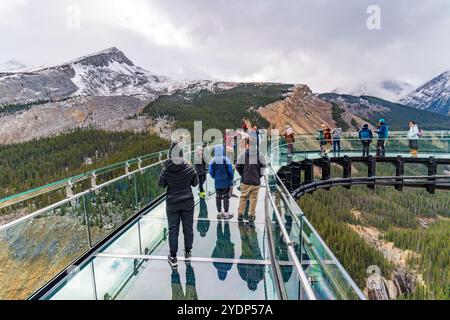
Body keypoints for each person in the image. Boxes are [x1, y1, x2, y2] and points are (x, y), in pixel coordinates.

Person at [159, 141, 199, 268]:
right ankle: (187, 254)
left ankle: (173, 257)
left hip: (172, 204)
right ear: (182, 155)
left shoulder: (166, 170)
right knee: (188, 229)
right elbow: (195, 183)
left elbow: (161, 185)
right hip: (187, 202)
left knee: (173, 230)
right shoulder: (189, 167)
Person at [236, 138, 266, 225]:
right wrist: (259, 176)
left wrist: (243, 174)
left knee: (243, 197)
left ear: (247, 145)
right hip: (255, 181)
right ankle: (251, 216)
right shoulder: (260, 155)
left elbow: (238, 166)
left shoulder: (243, 155)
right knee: (253, 199)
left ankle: (240, 215)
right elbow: (264, 167)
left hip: (245, 181)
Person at [209, 144, 234, 220]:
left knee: (218, 197)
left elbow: (210, 171)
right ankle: (226, 213)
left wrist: (215, 177)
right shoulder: (226, 159)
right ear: (222, 150)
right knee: (226, 197)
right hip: (226, 181)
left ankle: (219, 213)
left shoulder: (213, 160)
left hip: (217, 181)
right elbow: (230, 170)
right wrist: (231, 177)